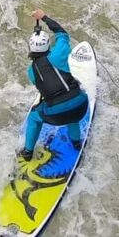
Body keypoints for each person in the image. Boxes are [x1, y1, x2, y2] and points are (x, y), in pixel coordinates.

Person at [19, 9, 89, 161]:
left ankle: (27, 151)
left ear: (31, 48)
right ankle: (76, 143)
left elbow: (45, 88)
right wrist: (43, 17)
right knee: (72, 115)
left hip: (57, 113)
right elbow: (62, 33)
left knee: (34, 117)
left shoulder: (31, 71)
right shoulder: (58, 55)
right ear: (48, 45)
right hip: (81, 105)